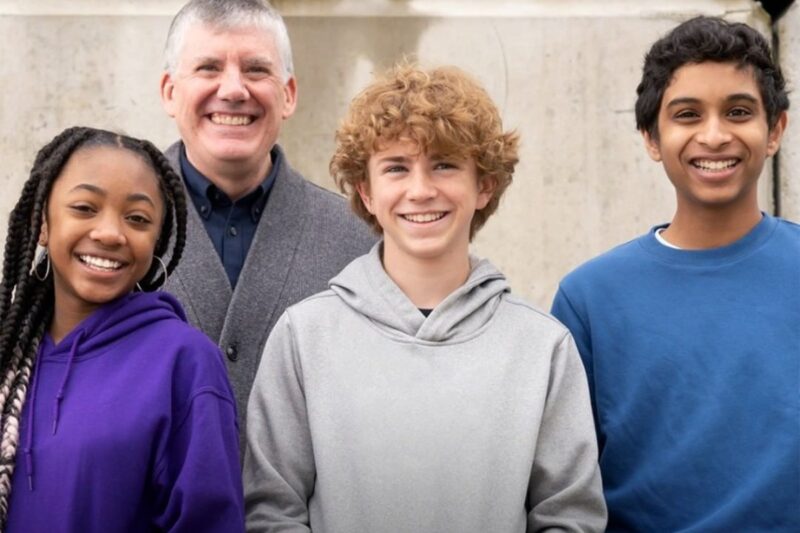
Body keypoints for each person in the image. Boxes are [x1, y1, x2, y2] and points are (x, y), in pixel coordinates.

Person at [244, 63, 607, 532]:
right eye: (396, 168)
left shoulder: (543, 347)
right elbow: (271, 511)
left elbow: (569, 516)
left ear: (485, 185)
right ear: (366, 192)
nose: (420, 190)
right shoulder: (303, 336)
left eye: (445, 164)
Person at [551, 16, 798, 531]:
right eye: (687, 114)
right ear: (651, 137)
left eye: (738, 111)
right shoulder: (590, 298)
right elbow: (565, 489)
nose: (714, 135)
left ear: (774, 129)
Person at [0, 127, 244, 532]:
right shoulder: (9, 353)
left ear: (158, 238)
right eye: (84, 207)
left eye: (137, 218)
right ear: (41, 221)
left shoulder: (184, 363)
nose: (110, 233)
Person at [158, 0, 376, 435]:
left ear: (289, 94)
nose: (234, 89)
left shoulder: (361, 242)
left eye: (256, 69)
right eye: (208, 68)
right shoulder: (108, 238)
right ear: (169, 92)